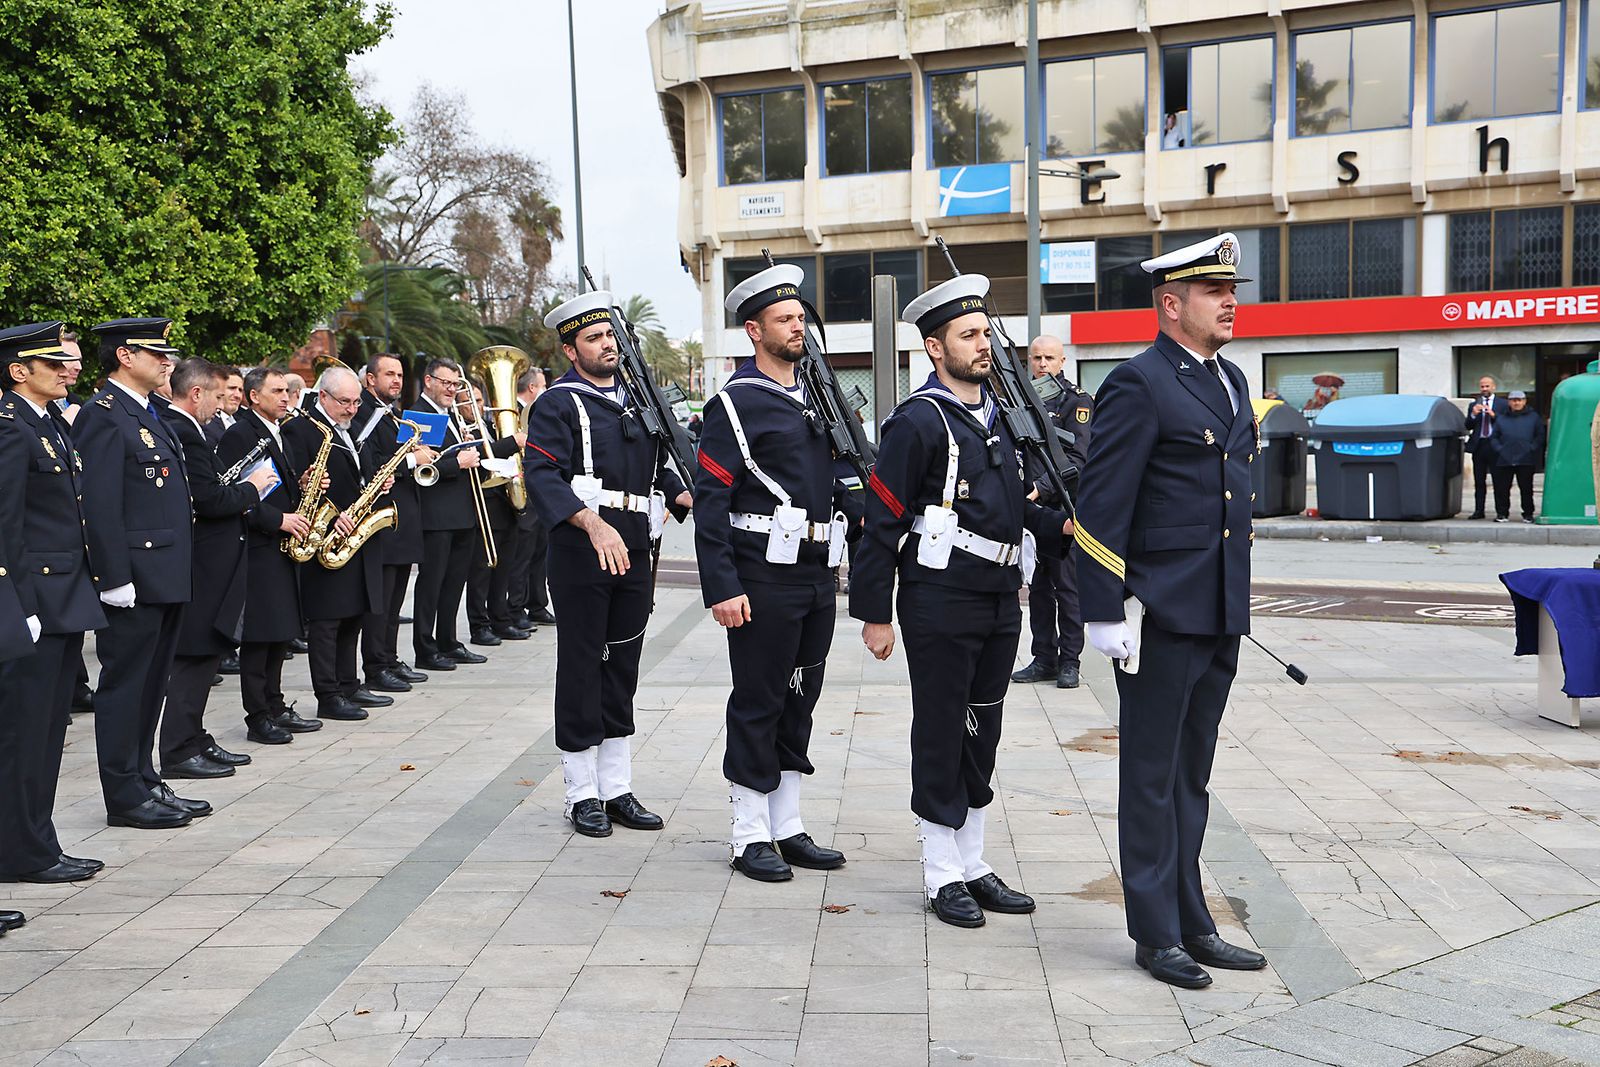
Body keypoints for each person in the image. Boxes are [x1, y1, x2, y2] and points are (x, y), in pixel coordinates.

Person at [1075, 233, 1266, 988]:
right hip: (1159, 611)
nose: (1230, 301)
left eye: (1232, 290)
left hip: (1217, 607)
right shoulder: (1139, 382)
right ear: (1171, 304)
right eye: (1214, 291)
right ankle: (1156, 934)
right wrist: (1104, 609)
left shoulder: (1232, 379)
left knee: (1191, 776)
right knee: (1152, 778)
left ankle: (1194, 921)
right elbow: (1103, 501)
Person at [850, 279, 1071, 928]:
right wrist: (875, 612)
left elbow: (1017, 506)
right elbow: (882, 520)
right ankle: (941, 870)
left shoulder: (1004, 416)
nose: (983, 344)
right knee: (943, 727)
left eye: (985, 333)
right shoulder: (918, 420)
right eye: (968, 335)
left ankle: (973, 860)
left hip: (1000, 596)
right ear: (934, 346)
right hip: (939, 597)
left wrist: (1064, 524)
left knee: (984, 727)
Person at [693, 263, 860, 882]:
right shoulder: (735, 403)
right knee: (759, 699)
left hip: (816, 571)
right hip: (762, 573)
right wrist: (722, 585)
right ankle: (748, 832)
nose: (797, 327)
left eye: (799, 318)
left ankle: (786, 825)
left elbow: (845, 479)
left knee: (800, 698)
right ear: (754, 331)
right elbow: (711, 498)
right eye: (784, 319)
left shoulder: (819, 398)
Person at [524, 292, 692, 838]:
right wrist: (592, 524)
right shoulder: (558, 404)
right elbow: (542, 475)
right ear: (571, 350)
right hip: (583, 548)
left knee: (622, 665)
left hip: (636, 546)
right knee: (581, 664)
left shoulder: (638, 401)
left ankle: (616, 788)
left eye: (610, 335)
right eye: (593, 338)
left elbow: (657, 467)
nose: (607, 345)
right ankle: (581, 793)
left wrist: (681, 493)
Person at [77, 317, 207, 829]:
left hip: (164, 573)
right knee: (125, 688)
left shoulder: (147, 412)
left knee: (152, 685)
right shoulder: (104, 415)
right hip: (134, 579)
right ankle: (124, 795)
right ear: (125, 357)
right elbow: (101, 505)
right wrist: (113, 578)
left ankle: (145, 779)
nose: (166, 362)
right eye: (156, 354)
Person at [0, 321, 106, 882]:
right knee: (23, 736)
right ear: (19, 371)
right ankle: (21, 852)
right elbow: (6, 527)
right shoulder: (11, 428)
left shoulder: (48, 424)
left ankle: (40, 843)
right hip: (36, 601)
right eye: (53, 362)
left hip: (64, 597)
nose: (68, 370)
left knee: (46, 735)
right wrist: (23, 607)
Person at [159, 359, 278, 778]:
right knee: (195, 656)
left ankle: (193, 737)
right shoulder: (184, 430)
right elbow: (209, 500)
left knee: (206, 654)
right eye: (218, 394)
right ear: (197, 394)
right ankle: (178, 749)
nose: (224, 403)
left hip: (212, 562)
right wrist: (252, 488)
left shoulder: (191, 429)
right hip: (203, 564)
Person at [283, 366, 394, 722]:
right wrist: (331, 516)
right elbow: (299, 485)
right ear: (323, 396)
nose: (352, 408)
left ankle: (349, 683)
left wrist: (378, 482)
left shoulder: (352, 425)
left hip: (357, 531)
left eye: (356, 401)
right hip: (325, 534)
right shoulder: (302, 429)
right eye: (345, 402)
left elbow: (359, 470)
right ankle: (328, 694)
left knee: (354, 614)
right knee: (327, 621)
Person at [218, 367, 319, 744]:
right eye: (276, 391)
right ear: (253, 396)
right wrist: (279, 520)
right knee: (260, 636)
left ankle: (275, 705)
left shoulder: (278, 430)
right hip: (259, 546)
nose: (285, 397)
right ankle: (257, 715)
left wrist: (304, 484)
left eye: (286, 391)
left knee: (280, 632)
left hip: (282, 545)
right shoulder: (240, 434)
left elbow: (275, 486)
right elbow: (236, 495)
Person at [411, 358, 521, 671]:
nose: (451, 389)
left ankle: (448, 641)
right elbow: (422, 467)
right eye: (446, 383)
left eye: (455, 384)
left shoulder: (451, 416)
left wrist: (504, 449)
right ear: (429, 381)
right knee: (431, 586)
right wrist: (457, 463)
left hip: (463, 512)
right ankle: (425, 648)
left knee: (453, 584)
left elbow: (471, 457)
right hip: (436, 516)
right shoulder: (420, 416)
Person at [1011, 334, 1091, 690]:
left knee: (1068, 589)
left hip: (1063, 507)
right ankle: (1044, 657)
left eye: (1049, 358)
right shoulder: (1022, 400)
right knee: (1039, 588)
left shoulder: (1077, 402)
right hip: (1032, 510)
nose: (1042, 364)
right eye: (1036, 358)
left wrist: (1040, 489)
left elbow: (1078, 458)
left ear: (1062, 362)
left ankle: (1070, 661)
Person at [355, 353, 434, 693]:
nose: (397, 380)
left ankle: (388, 658)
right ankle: (375, 665)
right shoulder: (363, 413)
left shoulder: (393, 413)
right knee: (381, 601)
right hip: (382, 520)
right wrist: (412, 459)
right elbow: (370, 462)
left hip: (403, 519)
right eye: (389, 374)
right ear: (370, 379)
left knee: (395, 601)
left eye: (400, 375)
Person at [463, 380, 526, 647]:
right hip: (483, 507)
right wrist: (512, 443)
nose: (478, 406)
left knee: (503, 568)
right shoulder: (463, 431)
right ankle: (479, 625)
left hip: (505, 504)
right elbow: (479, 458)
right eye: (472, 402)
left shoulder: (489, 428)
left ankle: (500, 618)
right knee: (481, 571)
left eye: (480, 401)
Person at [507, 367, 555, 631]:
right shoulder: (511, 413)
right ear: (533, 388)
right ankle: (515, 608)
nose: (546, 389)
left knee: (539, 551)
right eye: (543, 385)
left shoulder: (536, 411)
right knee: (522, 555)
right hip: (519, 492)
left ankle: (537, 604)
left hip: (537, 492)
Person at [1491, 390, 1546, 524]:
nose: (1516, 403)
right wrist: (1500, 449)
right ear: (1509, 402)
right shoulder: (1501, 418)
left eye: (1519, 400)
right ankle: (1502, 514)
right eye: (1513, 400)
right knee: (1502, 489)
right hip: (1505, 458)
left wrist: (1531, 448)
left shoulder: (1533, 417)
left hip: (1526, 458)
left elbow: (1540, 435)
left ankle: (1528, 514)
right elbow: (1494, 437)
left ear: (1524, 401)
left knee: (1526, 489)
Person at [1466, 375, 1508, 520]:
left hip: (1495, 445)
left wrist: (1494, 415)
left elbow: (1507, 424)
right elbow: (1468, 425)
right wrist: (1473, 414)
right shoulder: (1474, 404)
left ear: (1493, 387)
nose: (1484, 389)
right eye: (1482, 386)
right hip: (1479, 445)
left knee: (1499, 481)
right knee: (1479, 481)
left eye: (1487, 386)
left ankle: (1501, 511)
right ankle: (1479, 510)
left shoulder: (1503, 404)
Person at [204, 367, 244, 449]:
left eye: (240, 390)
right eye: (232, 388)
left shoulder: (242, 422)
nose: (237, 395)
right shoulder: (206, 421)